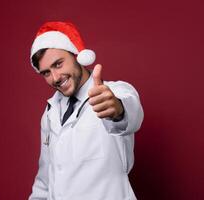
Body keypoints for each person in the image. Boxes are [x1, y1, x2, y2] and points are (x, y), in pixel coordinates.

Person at [28, 21, 144, 200]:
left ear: (76, 56)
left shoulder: (114, 92)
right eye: (46, 73)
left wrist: (117, 109)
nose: (55, 78)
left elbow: (132, 114)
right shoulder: (50, 113)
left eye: (58, 64)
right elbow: (45, 177)